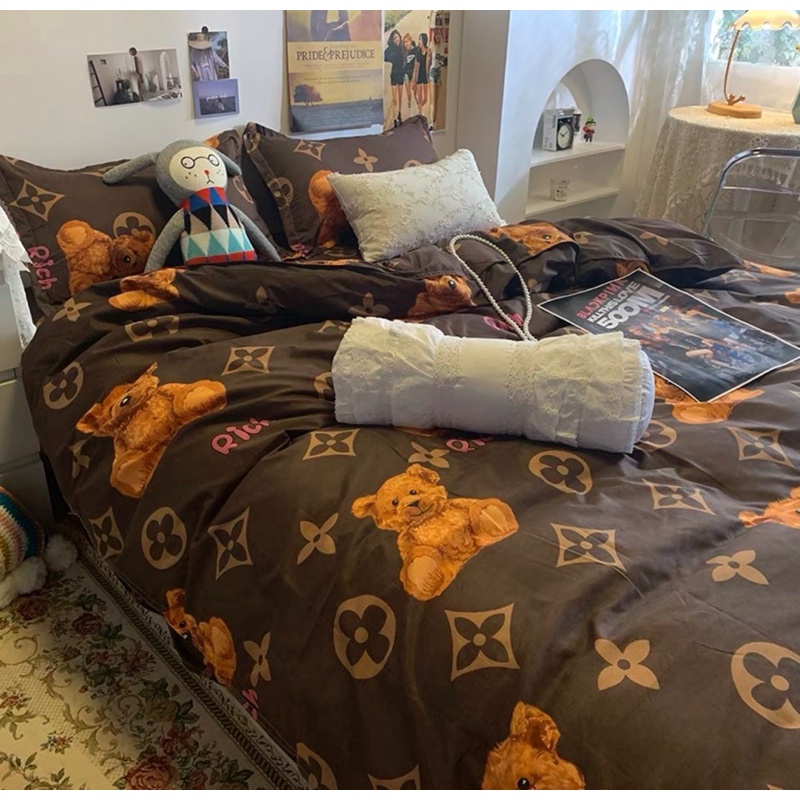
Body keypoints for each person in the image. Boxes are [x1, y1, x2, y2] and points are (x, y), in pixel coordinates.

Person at [384, 29, 405, 128]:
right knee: (395, 99)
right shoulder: (389, 50)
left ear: (400, 37)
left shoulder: (402, 48)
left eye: (397, 37)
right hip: (394, 75)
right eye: (394, 38)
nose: (397, 39)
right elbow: (384, 57)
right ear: (392, 40)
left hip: (401, 74)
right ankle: (394, 118)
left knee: (400, 97)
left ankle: (400, 115)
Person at [414, 33, 431, 117]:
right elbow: (416, 66)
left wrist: (428, 77)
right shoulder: (418, 52)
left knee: (425, 99)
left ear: (424, 40)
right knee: (419, 97)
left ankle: (420, 111)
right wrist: (414, 79)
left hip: (425, 76)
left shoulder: (428, 50)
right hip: (419, 76)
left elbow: (428, 64)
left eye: (420, 39)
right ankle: (420, 113)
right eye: (419, 39)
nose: (419, 41)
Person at [402, 33, 419, 113]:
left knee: (414, 91)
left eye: (407, 42)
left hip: (413, 73)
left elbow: (416, 65)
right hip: (406, 72)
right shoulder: (404, 52)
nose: (406, 44)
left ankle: (416, 101)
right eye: (404, 43)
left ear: (411, 41)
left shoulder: (416, 50)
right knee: (407, 88)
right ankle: (409, 99)